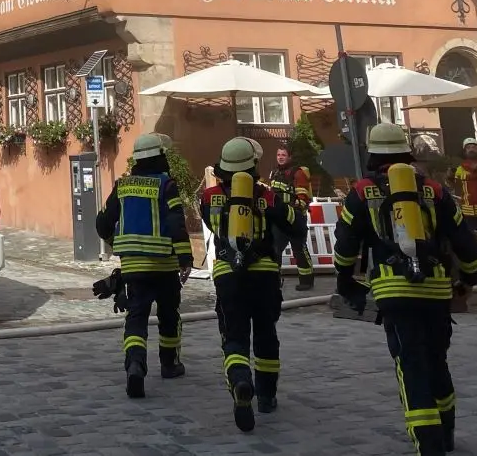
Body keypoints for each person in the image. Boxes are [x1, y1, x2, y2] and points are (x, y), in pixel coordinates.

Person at [333, 124, 477, 456]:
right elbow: (466, 243)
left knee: (410, 362)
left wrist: (345, 280)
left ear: (373, 155)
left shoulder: (362, 191)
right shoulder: (435, 190)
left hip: (393, 290)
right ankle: (446, 431)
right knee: (436, 359)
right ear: (406, 152)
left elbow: (345, 244)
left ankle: (427, 440)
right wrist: (468, 281)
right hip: (435, 289)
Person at [199, 137, 297, 432]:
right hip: (264, 274)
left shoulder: (209, 197)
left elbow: (210, 221)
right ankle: (266, 396)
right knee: (266, 335)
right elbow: (294, 223)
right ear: (252, 166)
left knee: (234, 336)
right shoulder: (267, 195)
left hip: (229, 275)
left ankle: (241, 380)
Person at [94, 132, 193, 399]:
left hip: (134, 268)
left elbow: (102, 223)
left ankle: (135, 364)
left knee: (136, 318)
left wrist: (118, 242)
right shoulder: (166, 185)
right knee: (169, 316)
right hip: (164, 266)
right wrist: (186, 259)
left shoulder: (123, 186)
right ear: (159, 156)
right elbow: (175, 223)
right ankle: (169, 365)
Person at [268, 144, 315, 291]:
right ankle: (274, 281)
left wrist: (297, 210)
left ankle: (306, 281)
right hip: (278, 218)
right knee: (275, 249)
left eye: (283, 155)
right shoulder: (274, 172)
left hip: (295, 218)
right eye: (278, 155)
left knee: (299, 249)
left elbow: (303, 195)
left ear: (289, 157)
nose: (280, 157)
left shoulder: (298, 173)